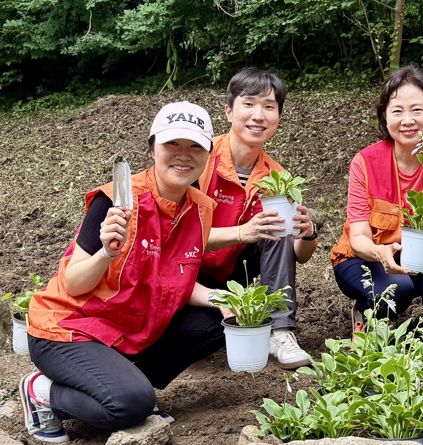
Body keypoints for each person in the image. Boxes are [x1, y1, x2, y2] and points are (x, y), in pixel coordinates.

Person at [21, 102, 225, 442]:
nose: (183, 155)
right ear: (152, 149)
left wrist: (227, 299)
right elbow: (73, 282)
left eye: (194, 146)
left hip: (124, 328)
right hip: (69, 326)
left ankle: (123, 383)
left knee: (215, 323)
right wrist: (105, 253)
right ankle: (42, 391)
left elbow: (176, 280)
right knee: (130, 406)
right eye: (172, 144)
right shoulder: (117, 201)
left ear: (208, 154)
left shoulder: (200, 210)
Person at [330, 65, 423, 325]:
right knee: (397, 291)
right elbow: (358, 237)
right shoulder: (365, 162)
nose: (407, 120)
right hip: (366, 258)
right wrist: (379, 252)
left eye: (417, 110)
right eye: (397, 111)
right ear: (385, 118)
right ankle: (366, 313)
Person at [197, 67, 317, 370]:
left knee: (275, 227)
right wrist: (242, 232)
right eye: (248, 104)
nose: (258, 115)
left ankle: (281, 331)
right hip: (189, 269)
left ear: (278, 116)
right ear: (228, 111)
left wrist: (307, 235)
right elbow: (176, 235)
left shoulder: (278, 178)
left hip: (237, 274)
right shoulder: (200, 159)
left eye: (269, 106)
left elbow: (296, 256)